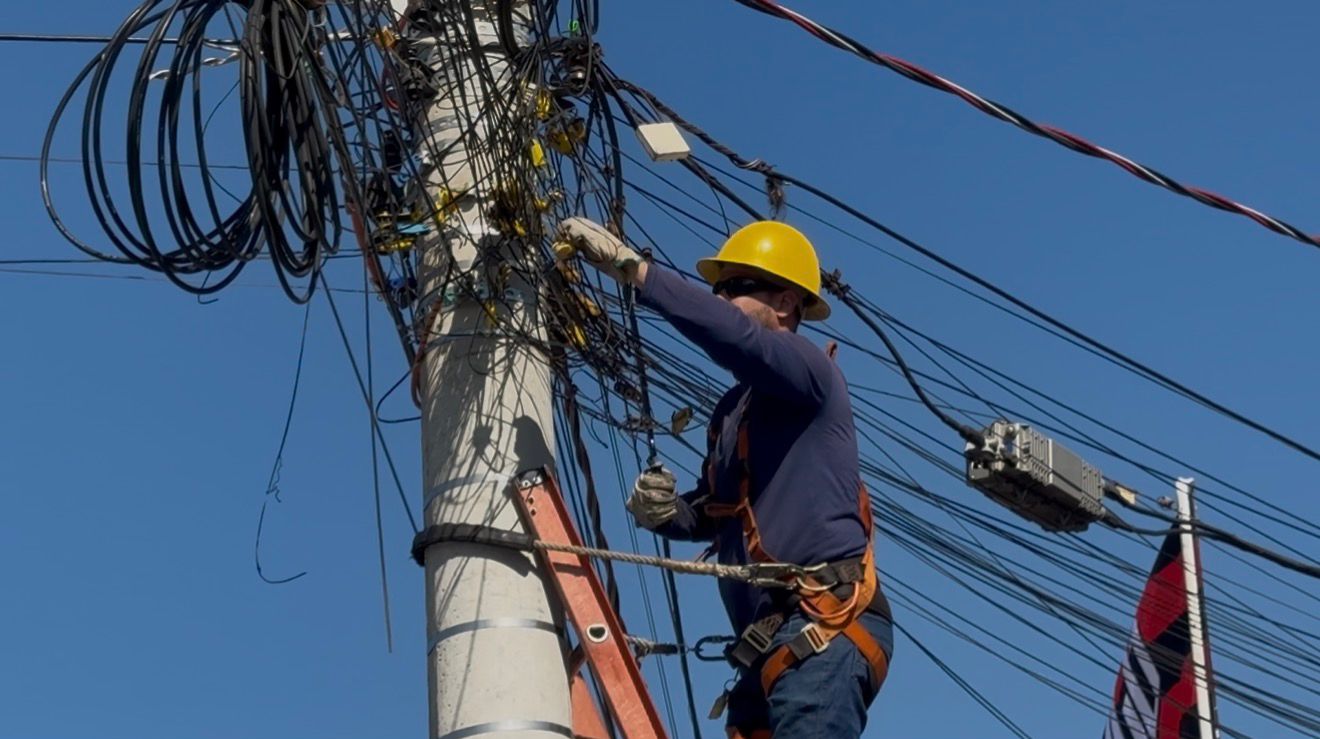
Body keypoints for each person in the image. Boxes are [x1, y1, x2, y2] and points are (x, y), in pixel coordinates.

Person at [556, 217, 894, 739]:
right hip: (768, 642)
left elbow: (737, 337)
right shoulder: (735, 409)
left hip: (823, 621)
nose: (722, 299)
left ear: (786, 302)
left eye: (736, 287)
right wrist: (666, 513)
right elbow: (716, 511)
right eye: (719, 290)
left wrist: (638, 271)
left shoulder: (810, 371)